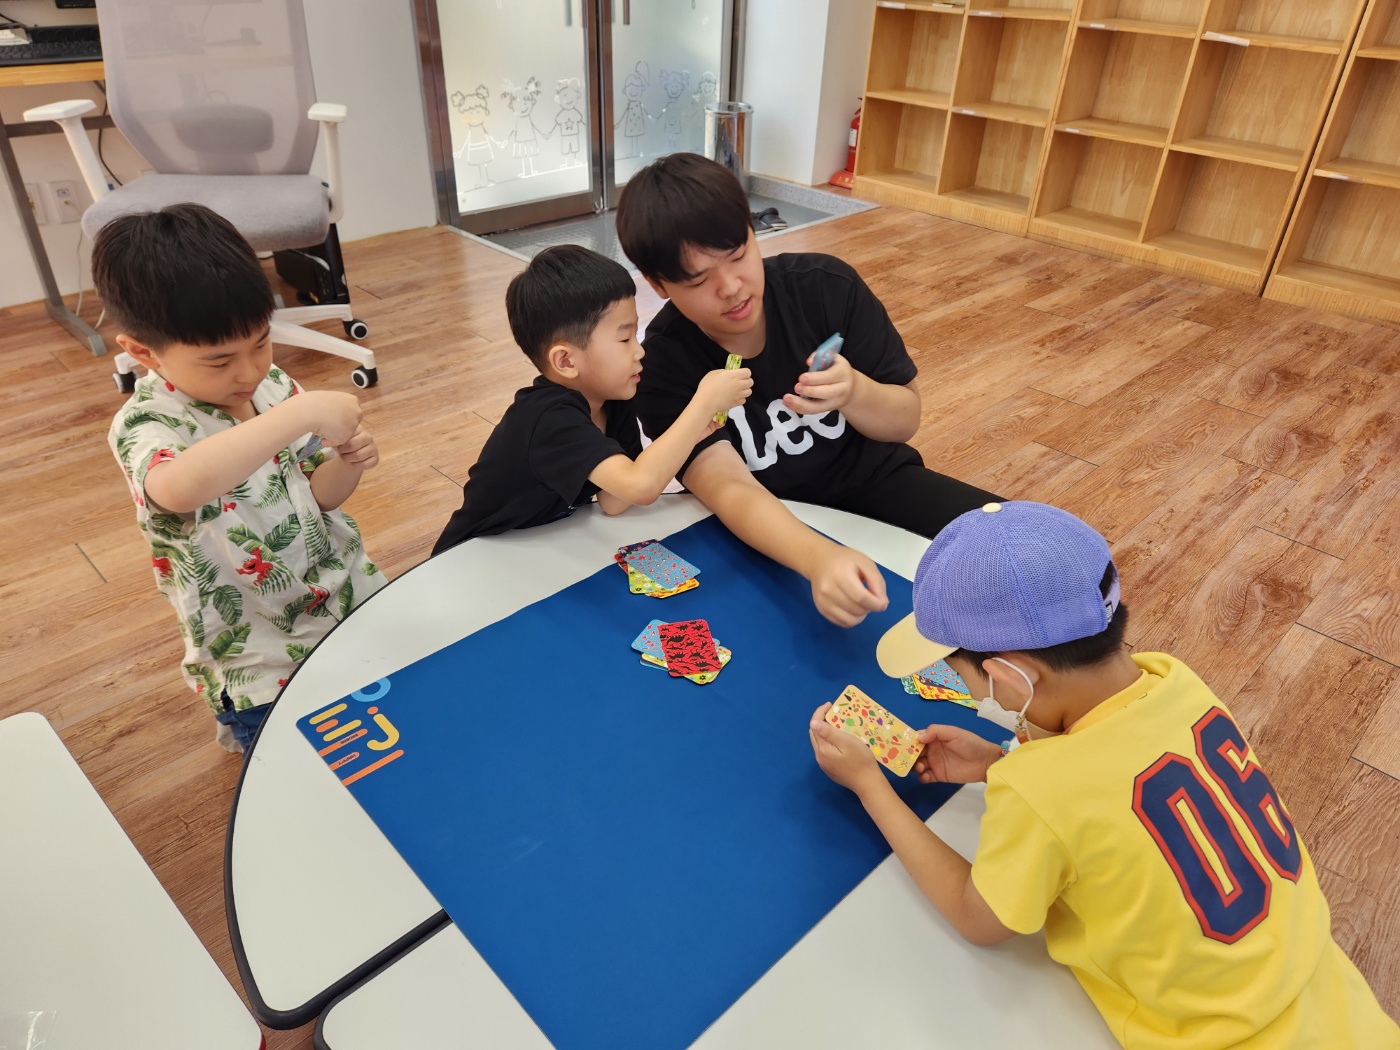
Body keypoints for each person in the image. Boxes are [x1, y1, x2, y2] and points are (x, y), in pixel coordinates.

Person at [808, 500, 1400, 1049]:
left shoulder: (1038, 792)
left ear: (1010, 680)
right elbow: (1118, 783)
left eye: (963, 677)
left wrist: (871, 786)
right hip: (1338, 1002)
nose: (969, 690)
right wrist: (994, 762)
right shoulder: (1173, 678)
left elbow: (977, 918)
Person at [614, 153, 998, 629]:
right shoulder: (662, 366)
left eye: (738, 255)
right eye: (699, 279)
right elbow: (729, 487)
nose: (731, 287)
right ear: (658, 284)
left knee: (1019, 544)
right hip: (767, 523)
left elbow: (905, 420)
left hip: (880, 484)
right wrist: (818, 558)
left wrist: (855, 392)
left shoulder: (824, 288)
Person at [98, 204, 385, 754]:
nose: (249, 371)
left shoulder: (271, 385)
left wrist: (348, 462)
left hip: (343, 598)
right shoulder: (146, 424)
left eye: (260, 342)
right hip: (257, 653)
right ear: (142, 352)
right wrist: (298, 415)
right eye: (219, 360)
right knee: (298, 764)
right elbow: (177, 488)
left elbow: (319, 497)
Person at [432, 245, 751, 554]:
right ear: (566, 361)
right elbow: (640, 486)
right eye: (624, 338)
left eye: (635, 335)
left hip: (534, 548)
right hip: (474, 556)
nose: (639, 351)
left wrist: (693, 433)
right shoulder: (548, 418)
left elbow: (614, 501)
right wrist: (702, 405)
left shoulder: (613, 400)